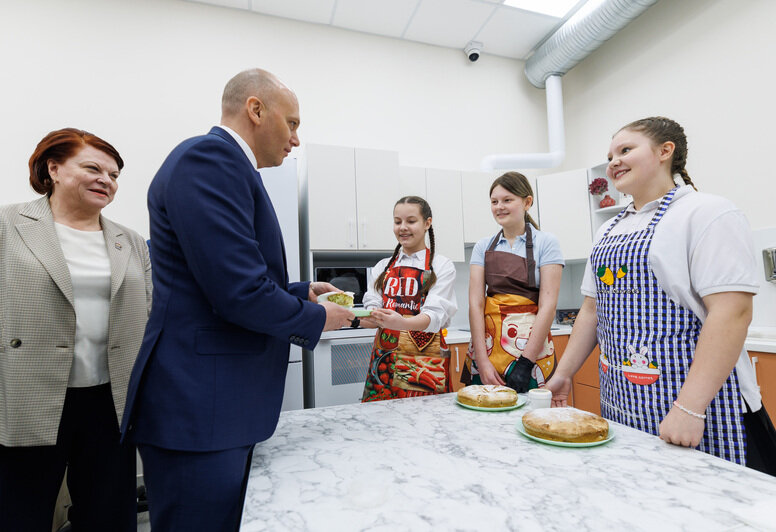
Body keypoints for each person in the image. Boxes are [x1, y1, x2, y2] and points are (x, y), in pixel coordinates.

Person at [120, 69, 354, 530]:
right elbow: (239, 293)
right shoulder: (210, 159)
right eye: (292, 124)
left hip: (217, 406)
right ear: (255, 109)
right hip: (201, 407)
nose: (296, 140)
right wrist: (315, 317)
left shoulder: (228, 166)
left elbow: (220, 282)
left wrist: (300, 291)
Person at [546, 117, 776, 478]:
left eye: (625, 150)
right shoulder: (608, 230)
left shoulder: (707, 212)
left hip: (702, 408)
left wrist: (690, 408)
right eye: (610, 154)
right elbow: (591, 311)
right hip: (623, 403)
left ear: (665, 151)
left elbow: (732, 312)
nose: (613, 161)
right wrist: (563, 374)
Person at [0, 128, 152, 530]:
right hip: (28, 393)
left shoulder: (130, 241)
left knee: (109, 514)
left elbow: (150, 310)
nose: (107, 180)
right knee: (21, 512)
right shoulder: (8, 224)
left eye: (115, 174)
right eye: (93, 168)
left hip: (110, 398)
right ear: (53, 168)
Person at [463, 172, 564, 392]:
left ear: (527, 202)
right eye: (494, 201)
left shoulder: (546, 243)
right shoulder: (483, 246)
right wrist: (481, 359)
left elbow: (548, 305)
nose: (499, 207)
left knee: (532, 420)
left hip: (531, 349)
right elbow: (476, 304)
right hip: (488, 347)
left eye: (507, 200)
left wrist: (526, 362)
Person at [360, 196, 458, 401]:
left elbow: (435, 315)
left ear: (427, 223)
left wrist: (401, 323)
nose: (403, 227)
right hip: (384, 359)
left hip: (424, 362)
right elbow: (372, 313)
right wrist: (352, 316)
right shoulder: (383, 267)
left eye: (411, 221)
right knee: (382, 419)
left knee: (426, 421)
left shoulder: (441, 265)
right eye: (397, 222)